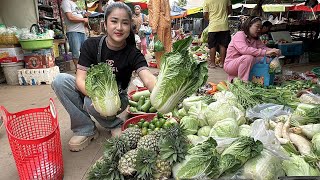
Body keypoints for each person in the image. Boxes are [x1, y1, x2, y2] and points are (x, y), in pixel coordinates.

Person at [51, 2, 157, 152]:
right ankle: (85, 128)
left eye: (125, 23)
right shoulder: (90, 45)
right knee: (60, 81)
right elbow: (80, 79)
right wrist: (97, 96)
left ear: (130, 27)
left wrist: (162, 93)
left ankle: (113, 123)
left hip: (118, 99)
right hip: (93, 92)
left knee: (90, 102)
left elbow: (148, 78)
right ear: (105, 24)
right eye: (114, 21)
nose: (119, 27)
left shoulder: (133, 53)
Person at [224, 16, 281, 82]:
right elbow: (244, 50)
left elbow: (263, 48)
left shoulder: (255, 38)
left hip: (244, 62)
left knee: (268, 59)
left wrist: (273, 50)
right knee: (248, 58)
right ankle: (242, 82)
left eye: (260, 27)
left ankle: (264, 79)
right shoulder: (239, 35)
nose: (259, 29)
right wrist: (266, 52)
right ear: (249, 25)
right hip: (231, 65)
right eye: (257, 26)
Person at [203, 0, 232, 68]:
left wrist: (210, 19)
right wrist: (223, 16)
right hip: (224, 25)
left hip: (213, 26)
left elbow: (205, 14)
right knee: (223, 45)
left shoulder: (207, 1)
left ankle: (212, 63)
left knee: (212, 46)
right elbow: (230, 10)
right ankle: (222, 63)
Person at [61, 0, 89, 68]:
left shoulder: (75, 4)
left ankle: (85, 70)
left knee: (86, 52)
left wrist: (84, 16)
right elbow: (70, 17)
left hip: (81, 31)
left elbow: (78, 16)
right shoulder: (66, 2)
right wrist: (83, 20)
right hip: (73, 31)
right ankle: (78, 70)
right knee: (76, 53)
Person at [148, 0, 172, 68]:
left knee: (159, 49)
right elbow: (169, 9)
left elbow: (156, 11)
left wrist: (154, 27)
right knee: (167, 48)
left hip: (159, 24)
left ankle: (161, 70)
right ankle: (168, 69)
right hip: (167, 23)